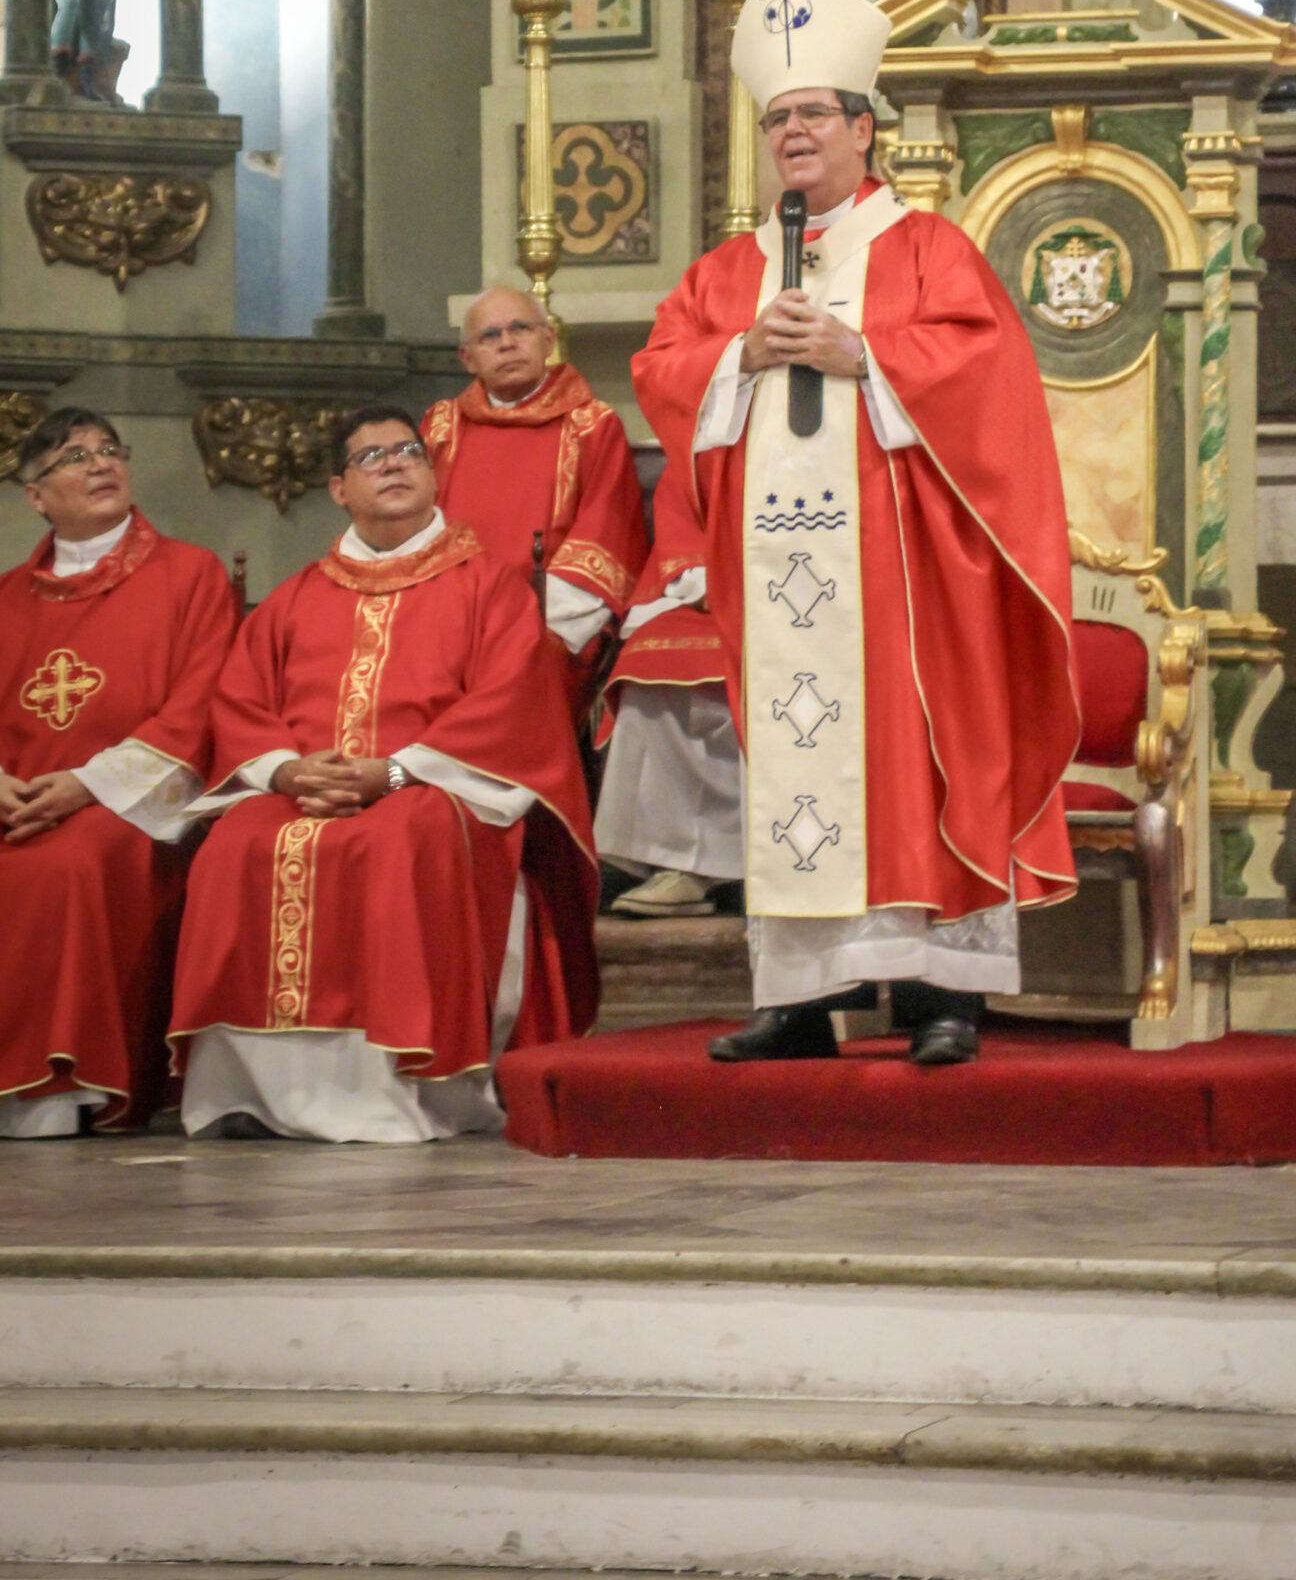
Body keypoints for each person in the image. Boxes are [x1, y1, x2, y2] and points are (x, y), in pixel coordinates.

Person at [632, 0, 1080, 1067]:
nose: (793, 131)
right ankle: (801, 999)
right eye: (777, 117)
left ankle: (940, 992)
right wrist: (740, 353)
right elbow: (661, 367)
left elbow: (988, 377)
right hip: (779, 579)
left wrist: (863, 352)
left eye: (814, 114)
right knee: (793, 766)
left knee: (919, 758)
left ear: (863, 128)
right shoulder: (728, 270)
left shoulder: (927, 248)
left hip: (910, 575)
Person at [169, 406, 600, 1143]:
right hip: (305, 788)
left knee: (401, 838)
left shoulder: (488, 586)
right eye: (371, 457)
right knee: (235, 844)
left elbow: (511, 704)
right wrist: (286, 772)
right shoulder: (296, 596)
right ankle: (246, 1091)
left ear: (432, 474)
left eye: (408, 452)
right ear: (339, 489)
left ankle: (403, 1092)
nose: (395, 463)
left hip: (438, 788)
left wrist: (395, 773)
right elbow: (240, 702)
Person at [0, 407, 233, 1135]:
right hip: (15, 805)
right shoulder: (7, 596)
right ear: (36, 496)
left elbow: (199, 707)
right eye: (75, 457)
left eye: (109, 450)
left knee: (63, 864)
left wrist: (86, 785)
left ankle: (57, 1093)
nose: (101, 463)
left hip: (130, 810)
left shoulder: (189, 574)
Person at [423, 286, 647, 722]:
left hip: (546, 625)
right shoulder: (440, 428)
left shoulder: (591, 426)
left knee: (515, 682)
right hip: (443, 620)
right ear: (467, 358)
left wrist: (521, 628)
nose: (506, 343)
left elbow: (607, 536)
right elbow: (412, 529)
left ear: (548, 340)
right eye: (489, 336)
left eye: (519, 329)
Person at [595, 461, 743, 918]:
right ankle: (677, 860)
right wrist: (711, 582)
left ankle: (767, 862)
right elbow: (681, 514)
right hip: (720, 595)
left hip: (820, 597)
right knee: (654, 658)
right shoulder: (707, 445)